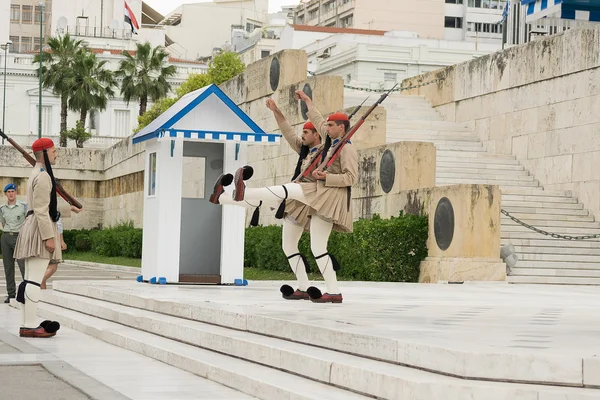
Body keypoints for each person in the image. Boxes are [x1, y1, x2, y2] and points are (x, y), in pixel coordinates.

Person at [210, 91, 358, 304]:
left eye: (331, 125)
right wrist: (305, 102)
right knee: (302, 244)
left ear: (342, 128)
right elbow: (308, 122)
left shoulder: (346, 149)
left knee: (282, 191)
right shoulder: (329, 144)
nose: (326, 127)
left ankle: (242, 191)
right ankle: (224, 197)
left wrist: (326, 176)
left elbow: (351, 177)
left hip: (326, 197)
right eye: (326, 125)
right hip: (313, 196)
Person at [265, 96, 324, 300]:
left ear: (317, 134)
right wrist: (276, 110)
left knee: (319, 249)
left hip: (310, 202)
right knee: (288, 246)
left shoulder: (326, 152)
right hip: (295, 202)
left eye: (306, 132)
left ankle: (330, 289)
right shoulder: (305, 150)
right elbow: (288, 132)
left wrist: (309, 101)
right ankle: (304, 286)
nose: (302, 135)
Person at [13, 137, 61, 338]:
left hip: (31, 225)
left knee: (29, 279)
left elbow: (39, 205)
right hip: (39, 229)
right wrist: (49, 237)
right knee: (34, 280)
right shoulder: (43, 176)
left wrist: (69, 209)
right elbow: (42, 210)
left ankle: (26, 322)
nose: (56, 154)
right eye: (53, 151)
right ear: (45, 155)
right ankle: (31, 324)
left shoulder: (35, 173)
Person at [40, 205, 82, 290]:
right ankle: (37, 281)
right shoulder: (49, 202)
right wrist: (61, 241)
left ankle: (42, 294)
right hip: (51, 236)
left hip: (40, 235)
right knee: (52, 266)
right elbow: (57, 223)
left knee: (44, 268)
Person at [1, 183, 27, 303]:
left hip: (19, 237)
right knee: (8, 267)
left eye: (13, 191)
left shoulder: (23, 206)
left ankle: (26, 293)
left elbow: (28, 222)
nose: (11, 194)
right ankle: (11, 294)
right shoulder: (2, 208)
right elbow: (3, 223)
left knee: (23, 265)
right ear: (5, 194)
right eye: (8, 192)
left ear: (16, 193)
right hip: (6, 237)